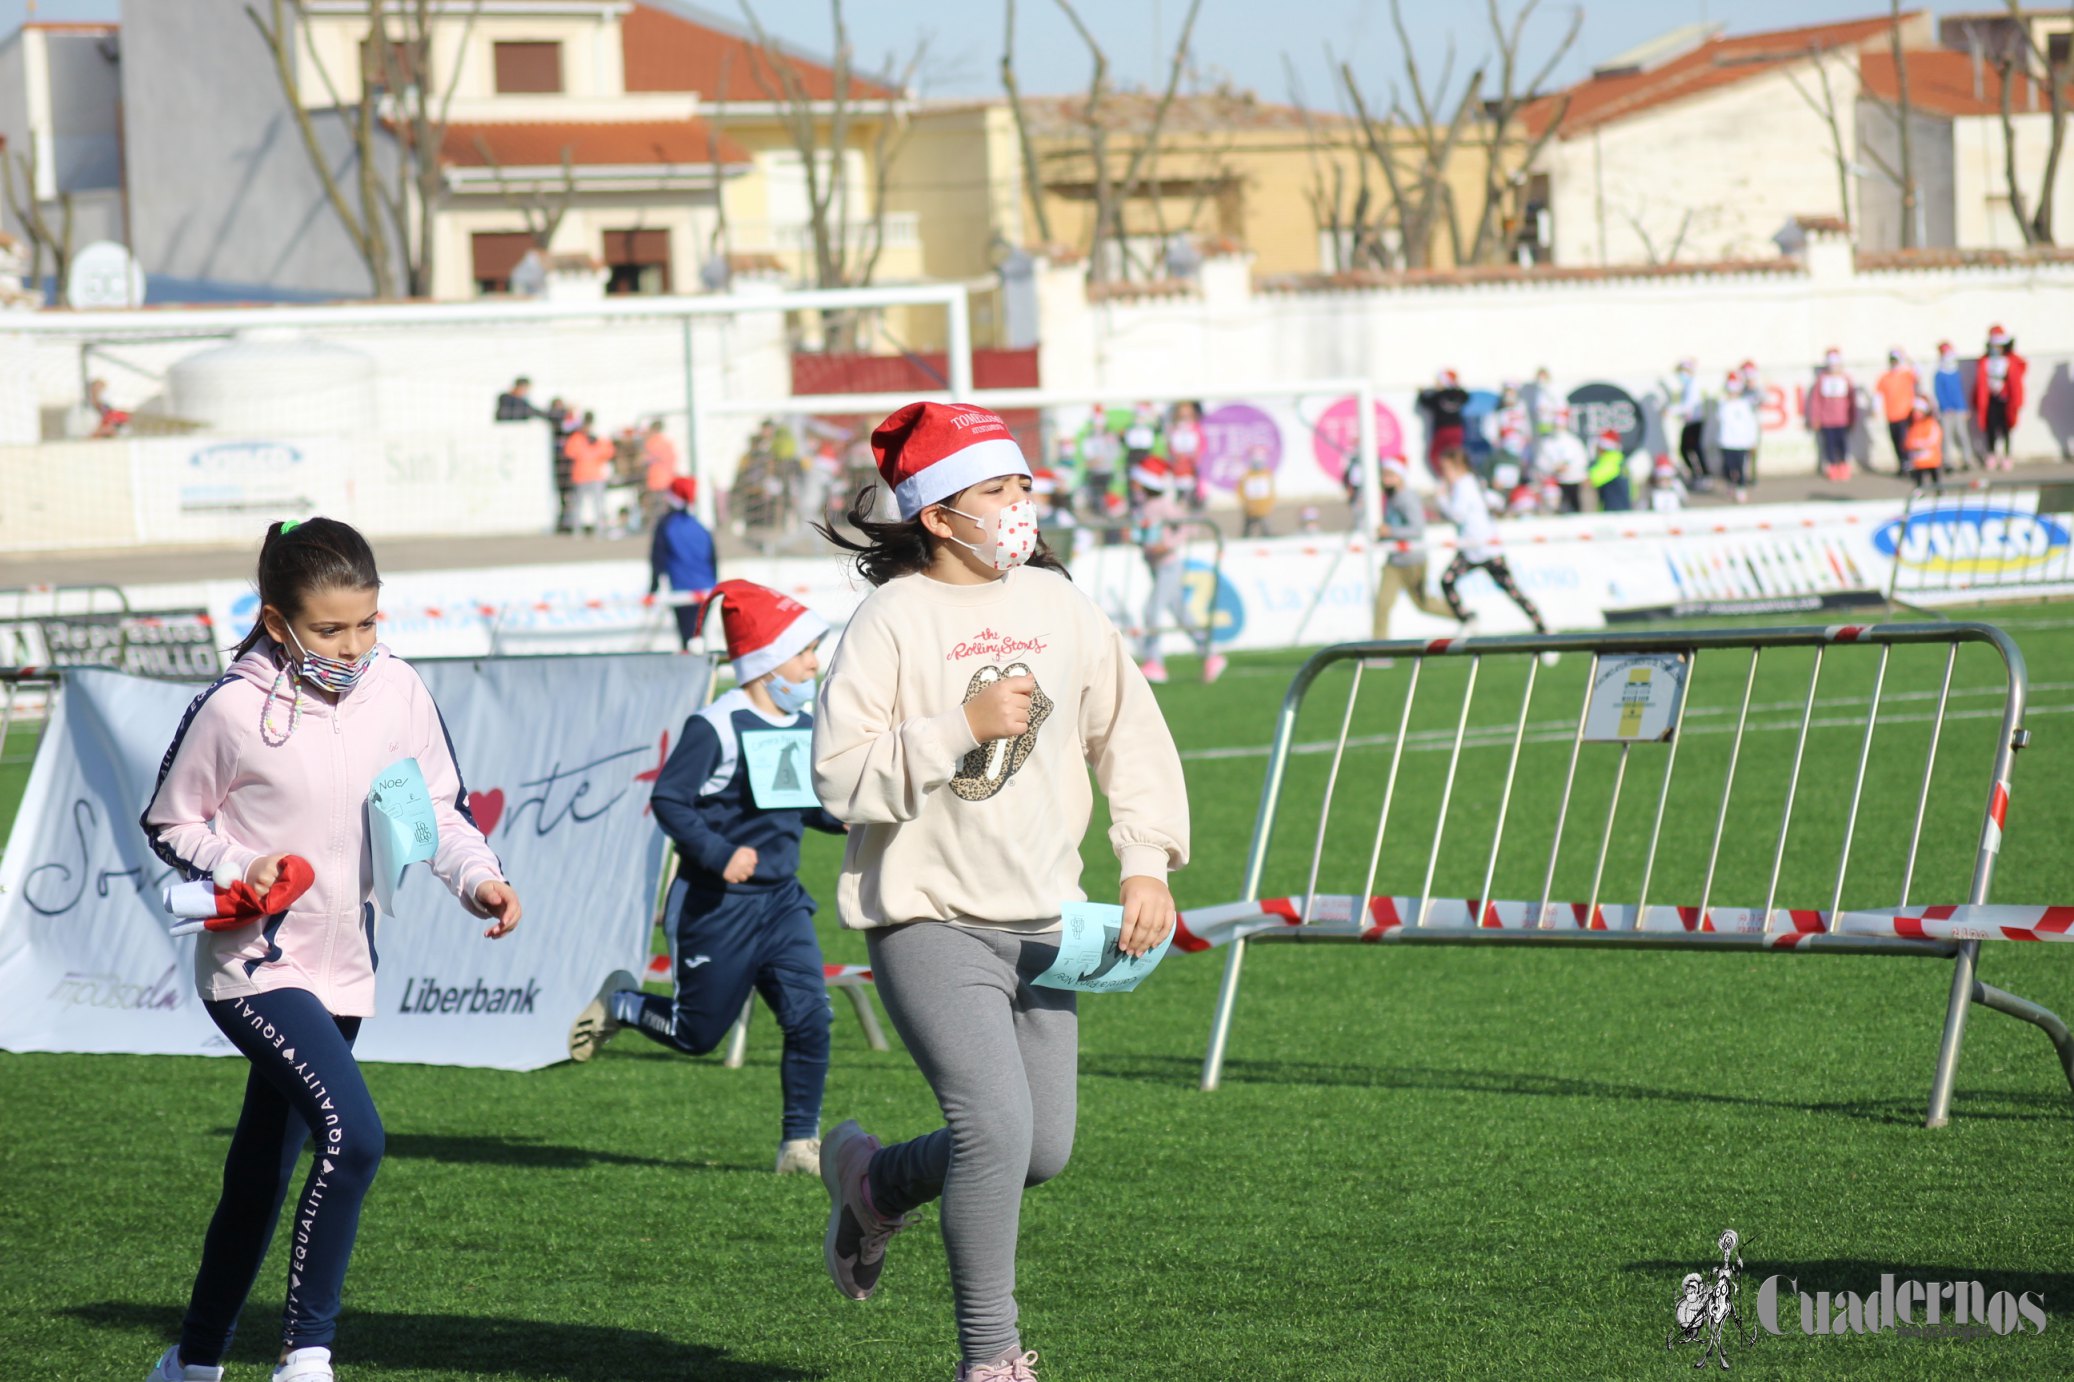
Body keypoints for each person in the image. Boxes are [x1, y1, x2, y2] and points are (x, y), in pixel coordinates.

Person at [810, 400, 1188, 1382]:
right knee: (993, 1125)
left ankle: (874, 1180)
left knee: (1040, 1148)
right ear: (937, 512)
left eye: (1023, 485)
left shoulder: (1061, 604)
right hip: (926, 917)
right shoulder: (890, 619)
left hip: (1045, 924)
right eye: (995, 489)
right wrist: (959, 723)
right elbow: (841, 778)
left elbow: (1131, 736)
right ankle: (992, 1358)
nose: (1019, 505)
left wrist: (1144, 857)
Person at [141, 518, 523, 1382]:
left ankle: (192, 1362)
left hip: (347, 968)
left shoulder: (400, 689)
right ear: (277, 622)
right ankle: (306, 1356)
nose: (353, 646)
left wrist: (478, 881)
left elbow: (438, 810)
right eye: (329, 629)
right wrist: (244, 862)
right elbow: (170, 821)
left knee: (260, 1173)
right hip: (254, 968)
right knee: (353, 1139)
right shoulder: (233, 706)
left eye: (368, 624)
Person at [591, 581, 846, 1172]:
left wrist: (847, 822)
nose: (814, 663)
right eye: (803, 651)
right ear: (763, 659)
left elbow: (799, 803)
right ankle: (623, 1003)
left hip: (782, 903)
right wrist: (717, 851)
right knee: (696, 1036)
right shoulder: (716, 724)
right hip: (715, 907)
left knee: (812, 1017)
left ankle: (797, 1145)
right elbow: (670, 800)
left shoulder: (801, 719)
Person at [1129, 455, 1224, 685]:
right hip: (1155, 566)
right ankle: (1210, 655)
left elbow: (1189, 526)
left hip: (1168, 565)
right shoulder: (1144, 508)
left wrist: (1168, 544)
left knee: (1151, 610)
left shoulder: (1163, 506)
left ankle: (1155, 662)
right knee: (1182, 614)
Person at [1434, 447, 1549, 637]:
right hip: (1473, 549)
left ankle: (1543, 628)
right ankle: (1468, 619)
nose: (1443, 475)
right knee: (1447, 581)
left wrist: (1441, 499)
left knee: (1511, 591)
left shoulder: (1464, 485)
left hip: (1484, 549)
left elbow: (1457, 514)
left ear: (1456, 467)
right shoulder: (1473, 482)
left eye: (1445, 469)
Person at [1373, 456, 1457, 638]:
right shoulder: (1391, 497)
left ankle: (1462, 615)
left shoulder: (1407, 497)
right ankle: (1378, 651)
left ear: (1400, 476)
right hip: (1394, 561)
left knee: (1424, 604)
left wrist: (1390, 531)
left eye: (1389, 474)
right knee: (1382, 604)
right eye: (1384, 474)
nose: (1384, 479)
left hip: (1413, 560)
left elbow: (1416, 528)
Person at [649, 477, 717, 648]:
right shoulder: (700, 526)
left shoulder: (666, 525)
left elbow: (658, 558)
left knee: (688, 640)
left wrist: (653, 588)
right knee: (697, 637)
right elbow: (712, 560)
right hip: (706, 591)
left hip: (683, 592)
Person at [1974, 324, 2027, 471]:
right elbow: (1980, 383)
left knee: (2006, 429)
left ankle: (2007, 455)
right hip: (1990, 399)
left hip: (2005, 400)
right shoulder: (1985, 361)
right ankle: (1991, 454)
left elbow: (2016, 378)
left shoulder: (2010, 360)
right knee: (1990, 428)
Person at [1804, 349, 1856, 482]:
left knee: (1843, 445)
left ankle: (1843, 467)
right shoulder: (1822, 379)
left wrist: (1852, 417)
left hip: (1843, 420)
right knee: (1829, 446)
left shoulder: (1845, 378)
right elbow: (1816, 401)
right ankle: (1832, 468)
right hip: (1827, 421)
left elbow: (1852, 400)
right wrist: (1814, 418)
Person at [563, 412, 616, 538]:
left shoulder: (598, 439)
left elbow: (609, 452)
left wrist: (595, 447)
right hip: (580, 476)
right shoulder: (576, 439)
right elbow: (570, 452)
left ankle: (600, 529)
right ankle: (577, 530)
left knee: (599, 504)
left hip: (596, 476)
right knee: (578, 505)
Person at [1663, 358, 1710, 489]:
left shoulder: (1692, 385)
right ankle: (1699, 474)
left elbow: (1687, 406)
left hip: (1694, 422)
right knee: (1688, 449)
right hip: (1690, 421)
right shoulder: (1688, 385)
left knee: (1691, 449)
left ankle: (1703, 475)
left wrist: (1670, 410)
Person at [1932, 342, 1978, 473]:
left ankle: (1967, 459)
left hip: (1959, 409)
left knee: (1962, 434)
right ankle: (1947, 461)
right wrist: (1945, 407)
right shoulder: (1939, 374)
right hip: (1947, 411)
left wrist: (1963, 407)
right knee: (1947, 437)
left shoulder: (1955, 372)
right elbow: (1939, 392)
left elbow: (1959, 392)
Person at [1713, 370, 1759, 503]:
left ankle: (1741, 488)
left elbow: (1751, 424)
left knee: (1740, 467)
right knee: (1728, 466)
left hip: (1741, 442)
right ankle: (1730, 483)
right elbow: (1719, 419)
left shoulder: (1745, 404)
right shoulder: (1723, 404)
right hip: (1727, 442)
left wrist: (1752, 441)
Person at [1533, 404, 1588, 514]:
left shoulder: (1572, 441)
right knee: (1555, 508)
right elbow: (1541, 462)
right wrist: (1552, 469)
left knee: (1574, 507)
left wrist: (1566, 467)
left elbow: (1576, 460)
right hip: (1553, 481)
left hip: (1572, 480)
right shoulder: (1547, 442)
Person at [1875, 348, 1918, 475]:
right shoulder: (1885, 377)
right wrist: (1876, 411)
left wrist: (1908, 358)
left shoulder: (1906, 374)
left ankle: (1909, 464)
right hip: (1891, 415)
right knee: (1895, 441)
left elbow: (1918, 372)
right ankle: (1902, 464)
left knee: (1905, 442)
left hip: (1905, 414)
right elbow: (1878, 394)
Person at [1416, 369, 1471, 467]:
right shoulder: (1458, 394)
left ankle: (1447, 473)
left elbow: (1425, 402)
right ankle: (1454, 472)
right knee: (1454, 453)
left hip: (1443, 430)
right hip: (1457, 429)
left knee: (1437, 453)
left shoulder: (1438, 396)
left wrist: (1421, 393)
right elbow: (1466, 397)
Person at [636, 420, 679, 534]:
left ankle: (658, 528)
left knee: (656, 507)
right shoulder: (667, 442)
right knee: (666, 506)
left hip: (656, 479)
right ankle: (667, 527)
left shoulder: (651, 443)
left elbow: (642, 459)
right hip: (668, 478)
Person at [1166, 400, 1205, 511]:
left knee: (1192, 494)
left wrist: (1195, 456)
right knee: (1179, 495)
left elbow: (1201, 445)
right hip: (1179, 467)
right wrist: (1176, 456)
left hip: (1191, 467)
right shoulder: (1174, 428)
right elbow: (1171, 446)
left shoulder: (1196, 428)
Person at [1903, 393, 1944, 488]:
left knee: (1934, 475)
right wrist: (1912, 445)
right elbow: (1908, 440)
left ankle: (1938, 490)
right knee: (1918, 477)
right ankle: (1920, 491)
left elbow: (1934, 438)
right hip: (1918, 459)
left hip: (1931, 457)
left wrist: (1921, 444)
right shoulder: (1913, 426)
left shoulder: (1931, 423)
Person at [1589, 427, 1632, 512]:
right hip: (1624, 509)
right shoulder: (1620, 459)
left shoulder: (1610, 460)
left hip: (1613, 513)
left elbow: (1590, 480)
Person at [1238, 448, 1275, 537]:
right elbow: (1241, 491)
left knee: (1266, 530)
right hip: (1250, 509)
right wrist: (1246, 504)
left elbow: (1271, 493)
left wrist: (1268, 505)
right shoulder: (1247, 475)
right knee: (1247, 531)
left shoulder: (1266, 474)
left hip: (1263, 509)